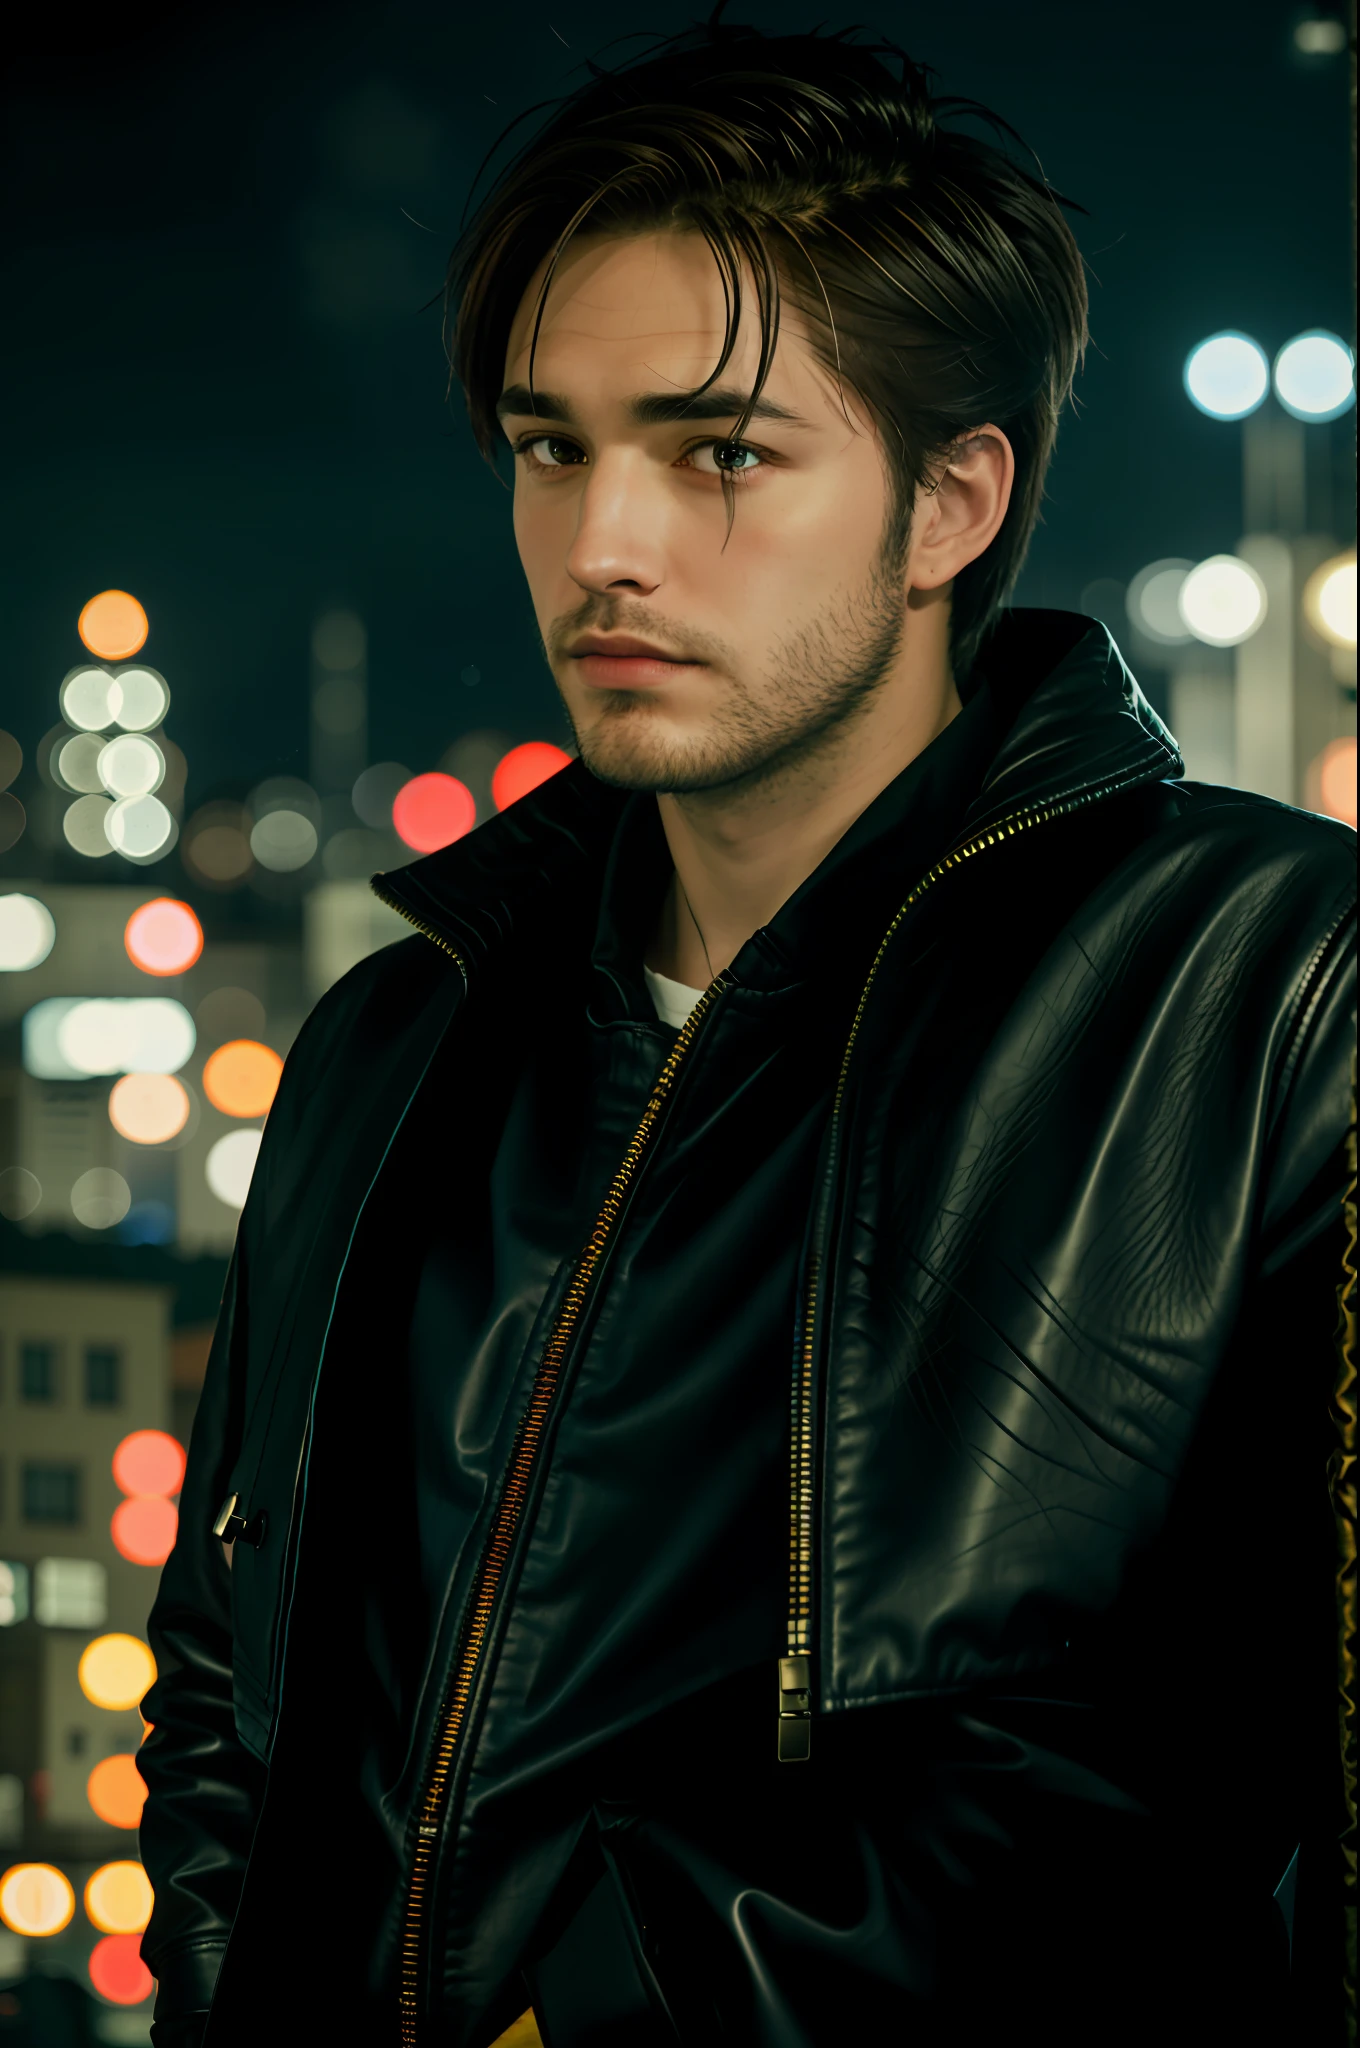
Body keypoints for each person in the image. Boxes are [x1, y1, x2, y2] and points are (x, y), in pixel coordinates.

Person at [137, 18, 1357, 2047]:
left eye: (716, 451)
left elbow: (1191, 1758)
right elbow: (227, 1686)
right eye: (551, 446)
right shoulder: (399, 1034)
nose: (603, 543)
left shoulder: (1252, 985)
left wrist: (618, 2010)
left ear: (950, 498)